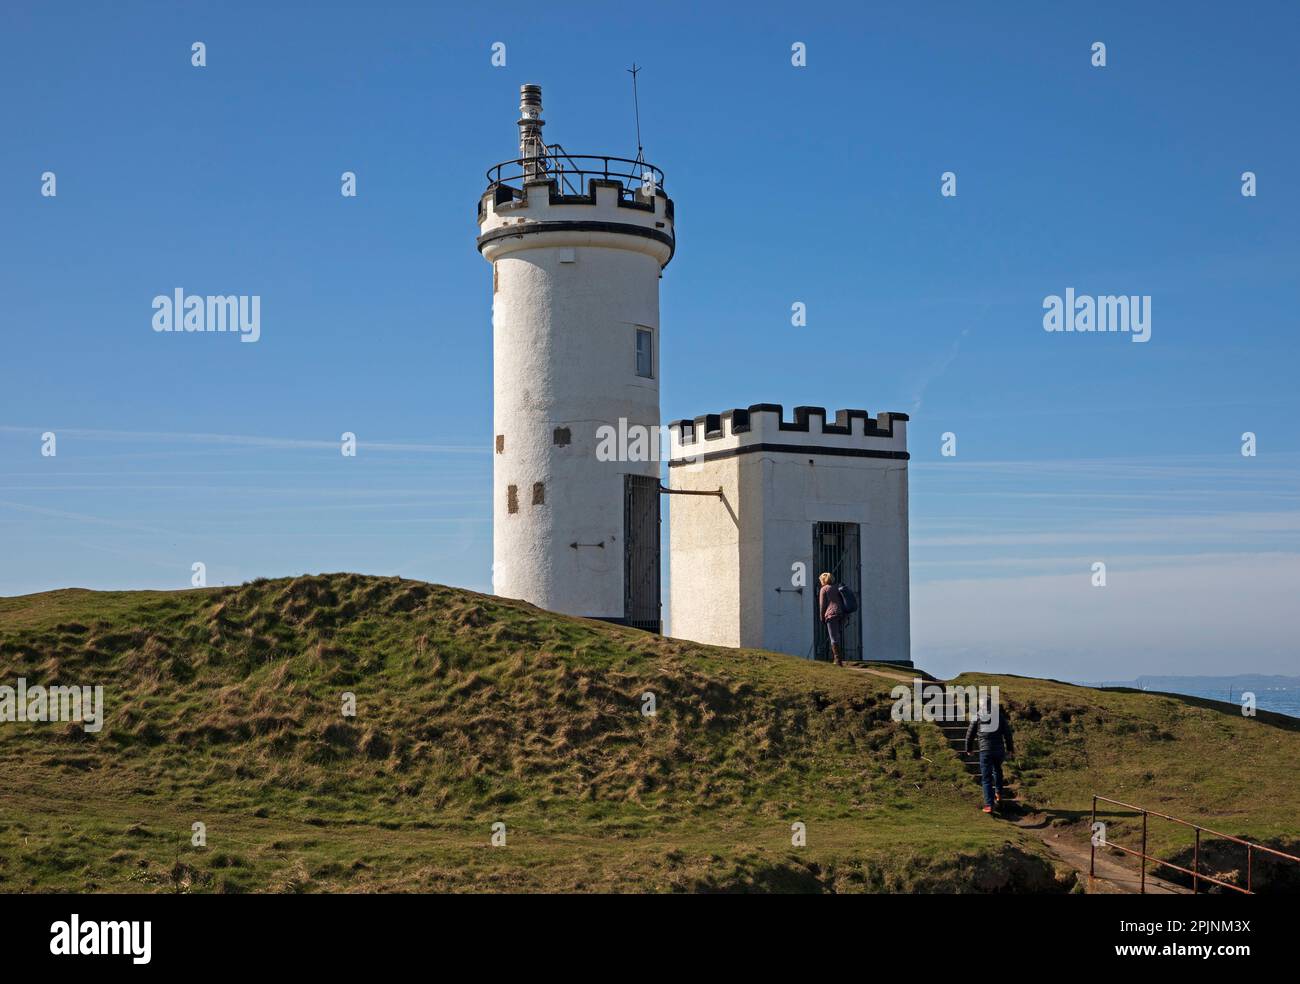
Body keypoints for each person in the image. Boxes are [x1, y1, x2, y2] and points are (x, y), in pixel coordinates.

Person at [965, 701, 1015, 813]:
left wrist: (969, 748)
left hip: (985, 750)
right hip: (999, 750)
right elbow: (1007, 734)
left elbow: (970, 734)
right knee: (997, 770)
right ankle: (999, 792)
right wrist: (1010, 749)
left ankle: (989, 804)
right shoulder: (999, 716)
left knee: (986, 777)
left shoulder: (977, 716)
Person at [817, 572, 846, 666]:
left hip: (831, 614)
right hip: (841, 614)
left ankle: (837, 660)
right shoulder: (838, 587)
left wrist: (821, 617)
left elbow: (822, 605)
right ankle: (836, 658)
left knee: (833, 637)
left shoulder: (824, 589)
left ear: (823, 580)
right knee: (837, 636)